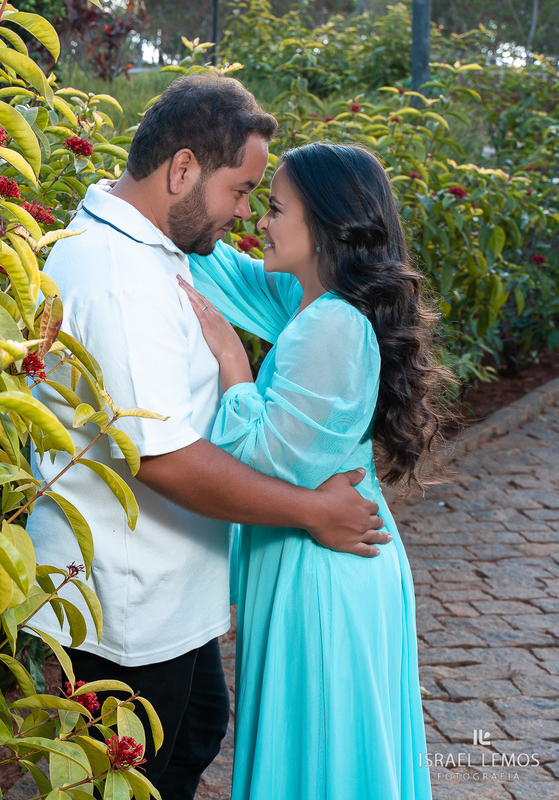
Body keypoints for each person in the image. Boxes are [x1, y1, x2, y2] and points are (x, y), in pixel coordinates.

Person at [25, 74, 390, 800]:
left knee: (193, 735)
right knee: (123, 782)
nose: (246, 213)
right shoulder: (118, 277)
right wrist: (314, 512)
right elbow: (163, 460)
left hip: (170, 593)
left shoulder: (157, 241)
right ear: (183, 170)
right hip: (123, 610)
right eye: (242, 191)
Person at [179, 141, 444, 799]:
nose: (258, 221)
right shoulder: (310, 301)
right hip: (324, 554)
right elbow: (217, 270)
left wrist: (235, 367)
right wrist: (145, 198)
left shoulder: (332, 325)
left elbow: (265, 460)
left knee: (318, 764)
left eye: (274, 209)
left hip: (322, 571)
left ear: (326, 225)